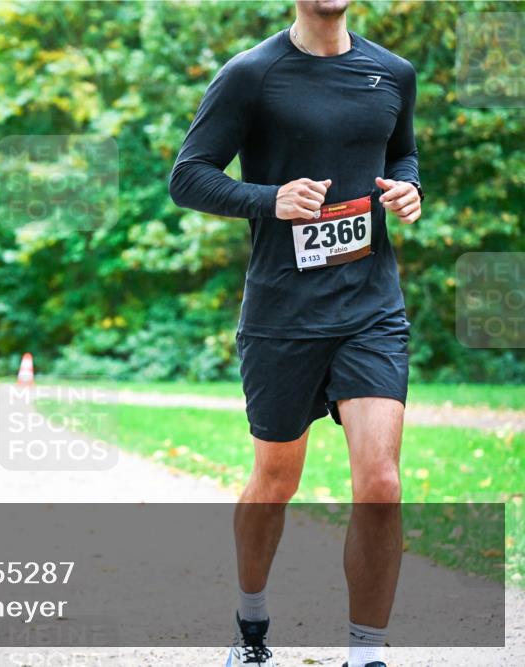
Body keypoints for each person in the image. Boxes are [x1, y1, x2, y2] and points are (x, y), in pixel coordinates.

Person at [168, 2, 422, 666]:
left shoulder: (393, 73)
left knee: (381, 481)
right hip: (282, 314)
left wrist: (409, 187)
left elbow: (402, 152)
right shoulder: (252, 73)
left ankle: (365, 654)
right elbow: (187, 176)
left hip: (370, 306)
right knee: (275, 480)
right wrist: (269, 197)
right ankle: (251, 626)